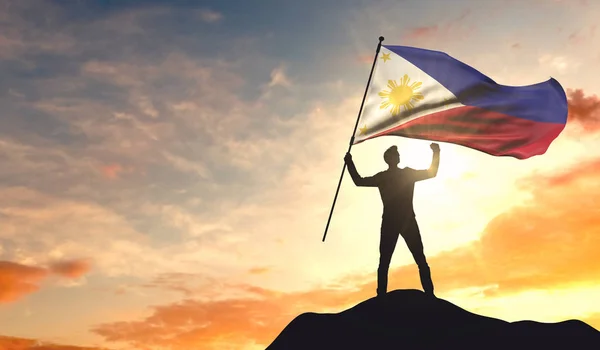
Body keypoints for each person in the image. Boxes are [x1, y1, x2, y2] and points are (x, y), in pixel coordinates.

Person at [344, 142, 440, 297]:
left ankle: (429, 294)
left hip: (404, 220)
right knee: (386, 261)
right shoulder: (387, 176)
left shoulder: (400, 174)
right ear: (389, 159)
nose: (398, 157)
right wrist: (349, 162)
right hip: (395, 221)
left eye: (398, 155)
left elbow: (431, 172)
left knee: (418, 258)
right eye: (395, 155)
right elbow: (359, 181)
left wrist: (436, 152)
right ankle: (382, 294)